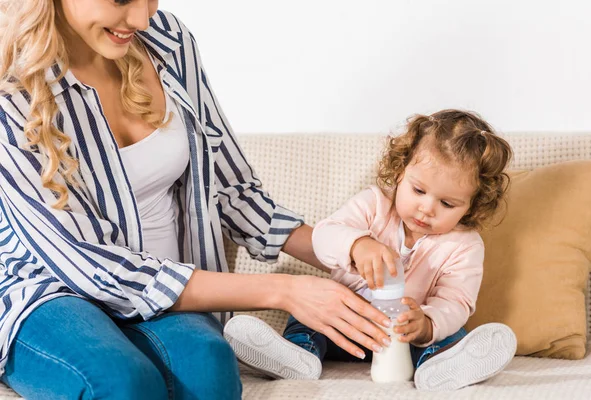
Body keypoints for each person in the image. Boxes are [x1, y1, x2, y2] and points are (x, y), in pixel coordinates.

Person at [0, 1, 395, 399]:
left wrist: (351, 251)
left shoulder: (166, 41)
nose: (141, 18)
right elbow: (88, 264)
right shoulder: (9, 87)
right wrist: (284, 290)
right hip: (49, 290)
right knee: (121, 382)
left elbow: (233, 191)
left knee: (209, 366)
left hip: (165, 289)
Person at [224, 109, 519, 391]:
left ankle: (441, 367)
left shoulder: (463, 244)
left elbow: (457, 301)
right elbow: (324, 236)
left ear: (472, 206)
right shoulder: (374, 205)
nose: (427, 208)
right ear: (400, 171)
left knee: (449, 334)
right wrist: (357, 244)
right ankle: (298, 357)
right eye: (418, 190)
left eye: (447, 204)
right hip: (342, 324)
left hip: (404, 338)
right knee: (306, 316)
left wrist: (427, 324)